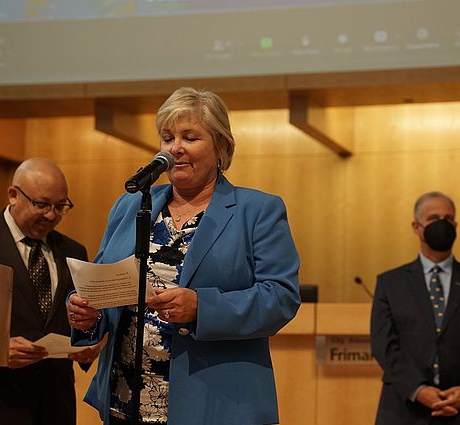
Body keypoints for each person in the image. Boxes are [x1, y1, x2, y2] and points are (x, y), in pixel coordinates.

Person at [67, 87, 301, 425]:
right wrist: (85, 313)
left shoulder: (258, 211)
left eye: (190, 137)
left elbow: (281, 297)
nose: (175, 148)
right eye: (167, 137)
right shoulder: (131, 205)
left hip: (216, 404)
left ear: (222, 147)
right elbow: (105, 285)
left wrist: (201, 308)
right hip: (126, 399)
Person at [0, 157, 99, 425]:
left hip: (56, 402)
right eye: (42, 204)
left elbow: (76, 317)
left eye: (60, 207)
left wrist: (85, 342)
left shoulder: (74, 251)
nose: (51, 215)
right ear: (13, 195)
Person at [370, 191, 460, 425]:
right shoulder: (390, 283)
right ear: (416, 226)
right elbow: (384, 345)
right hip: (405, 411)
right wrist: (417, 390)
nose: (442, 225)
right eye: (434, 219)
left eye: (448, 219)